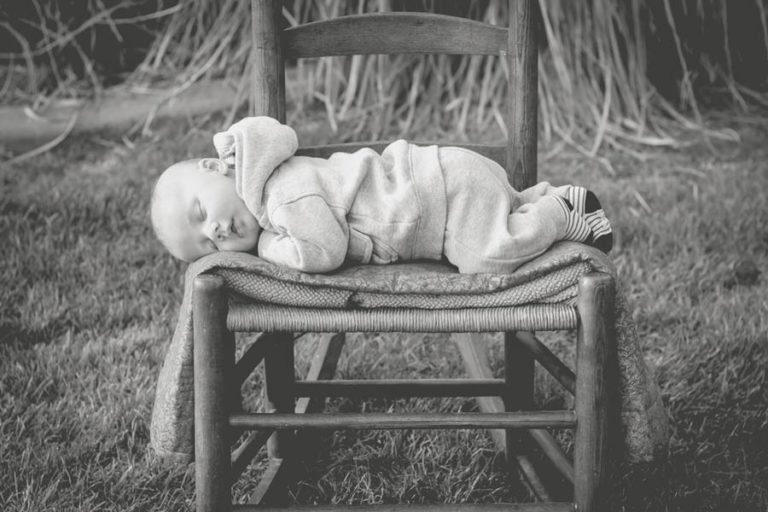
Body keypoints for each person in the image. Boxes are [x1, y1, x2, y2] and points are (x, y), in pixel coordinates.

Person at [150, 116, 612, 274]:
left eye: (200, 211)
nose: (214, 231)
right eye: (207, 245)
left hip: (442, 194)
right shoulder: (273, 183)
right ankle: (540, 199)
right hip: (439, 188)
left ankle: (560, 212)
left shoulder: (279, 195)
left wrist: (268, 247)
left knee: (486, 255)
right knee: (496, 222)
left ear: (216, 167)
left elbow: (323, 251)